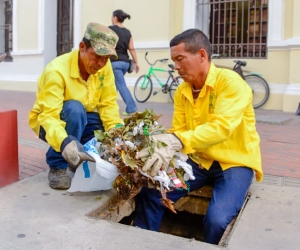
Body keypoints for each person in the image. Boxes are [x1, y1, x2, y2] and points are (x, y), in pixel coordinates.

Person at [133, 29, 263, 245]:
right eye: (174, 60)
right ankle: (141, 243)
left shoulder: (231, 83)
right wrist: (163, 144)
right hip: (197, 161)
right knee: (151, 192)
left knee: (218, 220)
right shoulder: (182, 91)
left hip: (235, 162)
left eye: (180, 59)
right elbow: (179, 129)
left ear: (202, 55)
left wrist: (179, 141)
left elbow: (221, 127)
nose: (175, 66)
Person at [28, 22, 123, 190]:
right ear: (82, 47)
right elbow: (49, 116)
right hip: (50, 123)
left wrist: (115, 133)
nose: (101, 64)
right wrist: (64, 142)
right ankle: (58, 165)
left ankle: (78, 156)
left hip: (82, 118)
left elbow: (108, 104)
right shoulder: (56, 71)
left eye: (106, 58)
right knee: (74, 109)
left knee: (104, 126)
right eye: (96, 56)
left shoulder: (104, 67)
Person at [109, 9, 139, 116]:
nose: (111, 19)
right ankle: (109, 106)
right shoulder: (128, 32)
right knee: (115, 85)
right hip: (126, 63)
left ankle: (131, 107)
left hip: (115, 62)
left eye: (112, 17)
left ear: (115, 18)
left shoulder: (110, 29)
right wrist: (136, 62)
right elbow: (131, 48)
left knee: (120, 85)